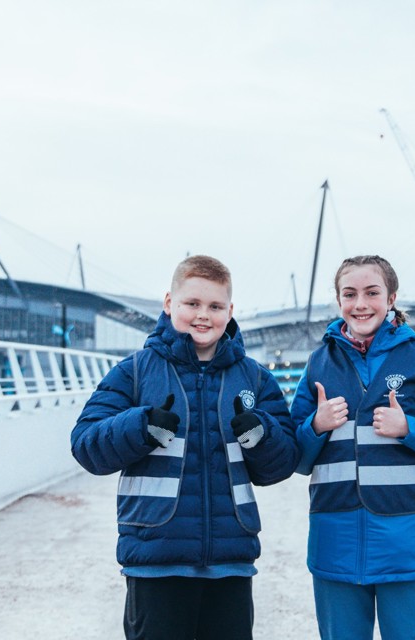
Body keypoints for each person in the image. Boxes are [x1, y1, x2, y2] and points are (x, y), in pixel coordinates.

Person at [71, 255, 299, 640]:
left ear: (231, 310)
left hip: (231, 562)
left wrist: (263, 435)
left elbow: (282, 462)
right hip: (155, 561)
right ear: (168, 304)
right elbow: (85, 445)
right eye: (191, 304)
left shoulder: (255, 377)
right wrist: (139, 426)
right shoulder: (136, 371)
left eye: (214, 306)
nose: (203, 315)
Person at [289, 254, 415, 640]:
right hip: (334, 545)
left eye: (372, 293)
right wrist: (316, 425)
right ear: (338, 300)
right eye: (350, 294)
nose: (360, 304)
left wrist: (410, 428)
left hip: (406, 545)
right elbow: (296, 458)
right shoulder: (317, 365)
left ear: (391, 297)